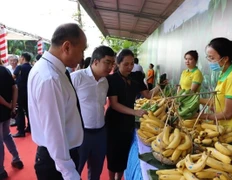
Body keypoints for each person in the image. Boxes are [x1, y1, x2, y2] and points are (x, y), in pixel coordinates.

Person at [27, 23, 86, 180]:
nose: (82, 57)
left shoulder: (51, 70)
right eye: (81, 50)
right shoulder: (50, 78)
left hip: (59, 157)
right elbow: (54, 133)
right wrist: (69, 173)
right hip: (57, 162)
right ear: (66, 47)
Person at [105, 49, 163, 180]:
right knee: (113, 155)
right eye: (126, 64)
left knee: (124, 154)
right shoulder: (112, 79)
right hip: (114, 122)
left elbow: (147, 95)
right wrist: (135, 112)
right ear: (118, 64)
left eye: (132, 64)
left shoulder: (136, 77)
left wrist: (159, 87)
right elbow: (114, 104)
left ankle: (119, 178)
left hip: (128, 122)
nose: (130, 67)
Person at [198, 37, 232, 153]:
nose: (209, 61)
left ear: (225, 58)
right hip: (224, 131)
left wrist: (202, 116)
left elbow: (228, 113)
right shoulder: (223, 74)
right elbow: (218, 100)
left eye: (212, 58)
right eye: (208, 57)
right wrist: (196, 100)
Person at [71, 46, 115, 180]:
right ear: (95, 61)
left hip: (100, 133)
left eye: (112, 64)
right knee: (75, 169)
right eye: (107, 62)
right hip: (81, 133)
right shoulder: (76, 78)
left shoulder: (105, 81)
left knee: (96, 169)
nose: (110, 67)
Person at [0, 60, 23, 179]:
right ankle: (16, 158)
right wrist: (13, 106)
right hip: (6, 112)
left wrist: (10, 106)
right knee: (7, 135)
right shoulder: (5, 70)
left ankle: (1, 170)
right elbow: (15, 88)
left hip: (4, 109)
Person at [12, 52, 32, 137]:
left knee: (20, 111)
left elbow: (13, 77)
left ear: (23, 58)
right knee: (29, 111)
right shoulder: (31, 67)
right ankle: (30, 127)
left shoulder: (20, 67)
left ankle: (21, 130)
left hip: (20, 92)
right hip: (29, 92)